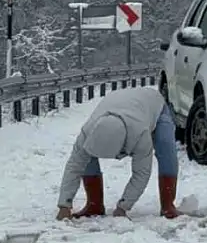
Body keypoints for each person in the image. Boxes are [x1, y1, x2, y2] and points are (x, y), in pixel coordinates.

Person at [55, 86, 180, 221]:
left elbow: (142, 173)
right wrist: (64, 205)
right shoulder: (87, 133)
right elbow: (74, 166)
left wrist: (123, 207)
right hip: (120, 104)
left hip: (154, 104)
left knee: (166, 148)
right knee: (85, 157)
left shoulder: (140, 134)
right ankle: (94, 205)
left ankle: (168, 206)